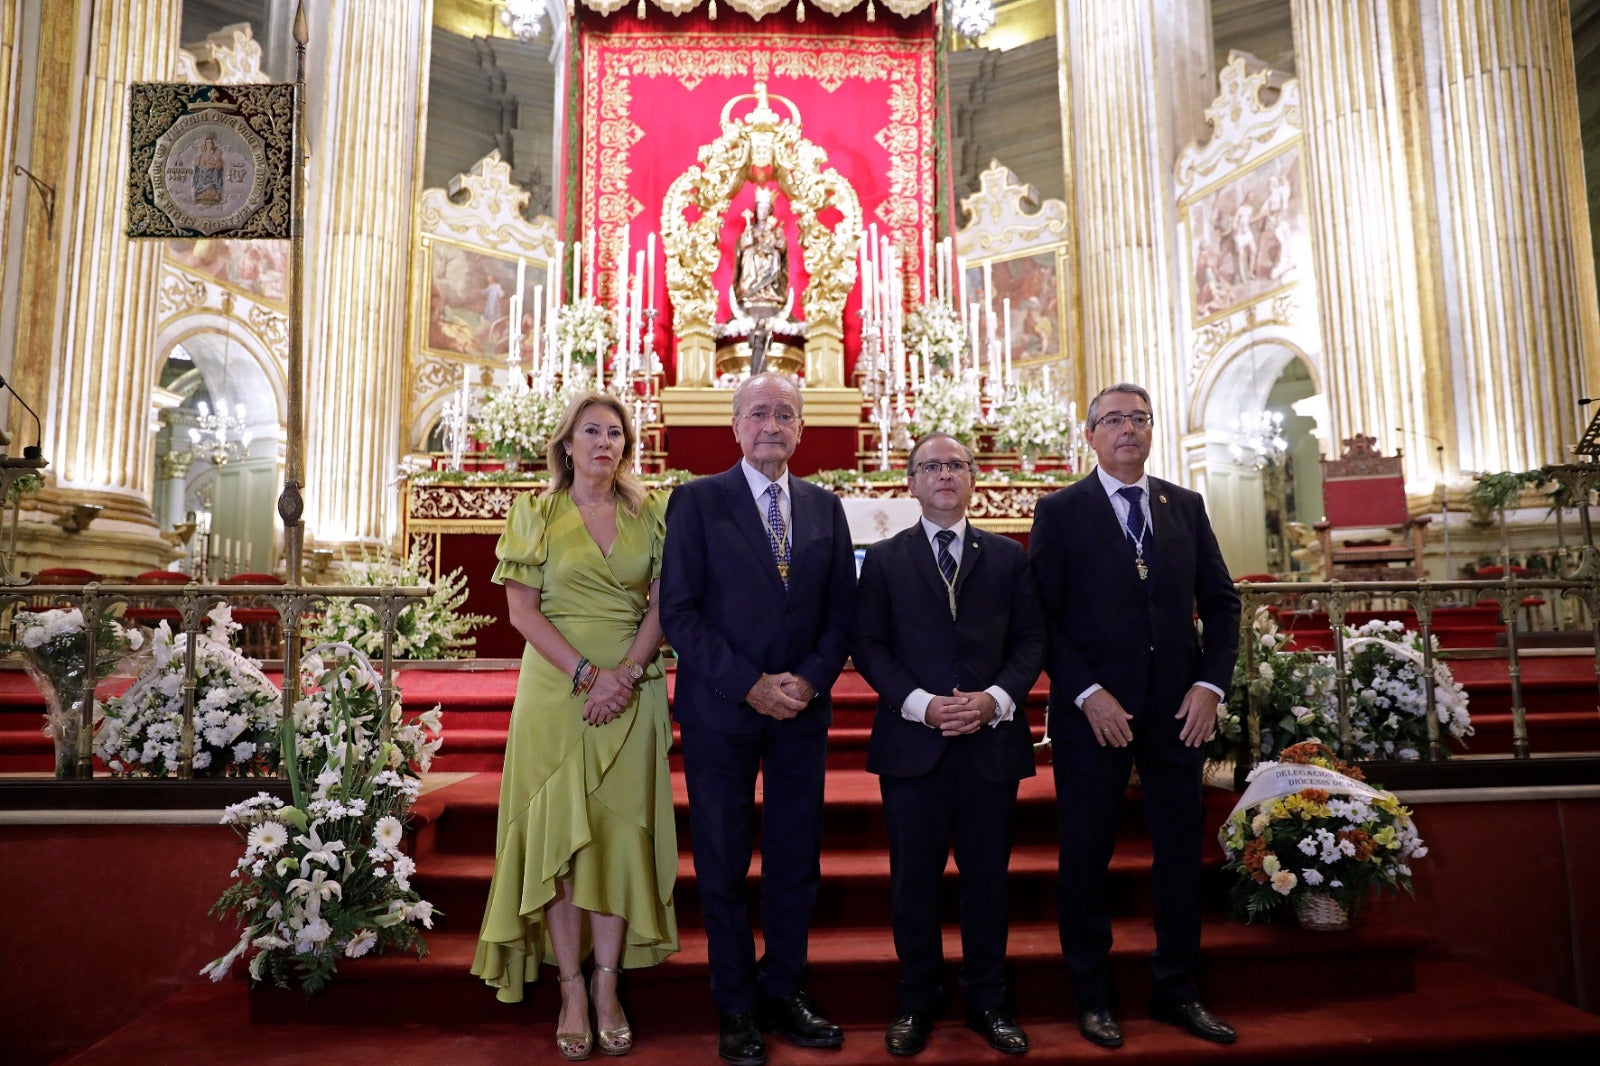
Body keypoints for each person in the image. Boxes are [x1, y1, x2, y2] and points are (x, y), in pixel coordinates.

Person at [1028, 383, 1241, 1050]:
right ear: (1090, 435)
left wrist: (1210, 684)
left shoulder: (1186, 505)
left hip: (1178, 713)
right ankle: (1092, 997)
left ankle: (1177, 989)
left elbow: (1223, 604)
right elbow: (1044, 618)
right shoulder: (1060, 511)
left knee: (1179, 854)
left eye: (1139, 419)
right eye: (1114, 420)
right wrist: (1087, 692)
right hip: (1095, 716)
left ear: (1152, 431)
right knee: (1086, 856)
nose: (1128, 430)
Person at [471, 391, 679, 1061]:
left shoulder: (652, 516)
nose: (604, 443)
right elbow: (522, 614)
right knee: (558, 841)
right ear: (566, 443)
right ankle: (569, 987)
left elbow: (665, 604)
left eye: (615, 433)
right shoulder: (536, 511)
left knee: (616, 838)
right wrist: (591, 676)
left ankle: (609, 984)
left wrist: (625, 673)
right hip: (557, 689)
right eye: (591, 431)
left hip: (634, 684)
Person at [659, 371, 856, 1066]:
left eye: (786, 415)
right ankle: (736, 1005)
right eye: (760, 414)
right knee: (720, 857)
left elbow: (842, 614)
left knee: (795, 858)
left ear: (802, 429)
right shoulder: (696, 501)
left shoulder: (827, 508)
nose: (773, 425)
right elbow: (679, 611)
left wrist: (805, 679)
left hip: (802, 709)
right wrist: (749, 685)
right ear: (736, 427)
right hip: (721, 710)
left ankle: (785, 988)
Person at [851, 433, 1046, 1058]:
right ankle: (917, 1000)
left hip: (991, 742)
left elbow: (1032, 641)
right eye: (931, 466)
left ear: (972, 480)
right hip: (914, 744)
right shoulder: (882, 560)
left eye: (956, 465)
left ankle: (989, 999)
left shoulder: (1011, 558)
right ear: (909, 483)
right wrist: (921, 705)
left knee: (988, 879)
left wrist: (996, 700)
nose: (944, 475)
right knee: (914, 881)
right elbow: (869, 645)